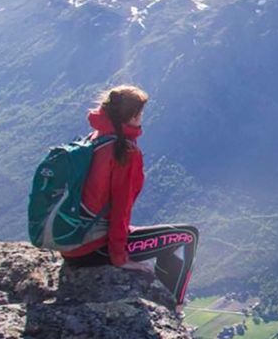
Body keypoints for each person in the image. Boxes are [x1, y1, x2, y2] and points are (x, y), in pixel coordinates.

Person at [60, 85, 199, 308]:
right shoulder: (124, 152)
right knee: (186, 237)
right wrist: (119, 258)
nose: (142, 118)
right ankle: (173, 307)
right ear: (133, 116)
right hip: (94, 248)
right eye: (140, 114)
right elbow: (120, 209)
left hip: (71, 243)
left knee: (174, 235)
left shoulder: (94, 138)